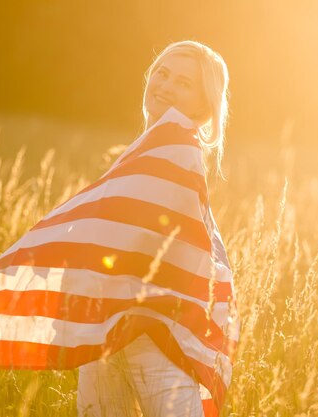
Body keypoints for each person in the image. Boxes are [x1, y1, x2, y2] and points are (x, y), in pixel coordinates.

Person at [76, 40, 233, 417]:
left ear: (203, 104)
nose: (164, 84)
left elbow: (133, 238)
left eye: (183, 82)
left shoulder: (177, 151)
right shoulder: (145, 151)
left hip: (156, 338)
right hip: (109, 331)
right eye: (161, 72)